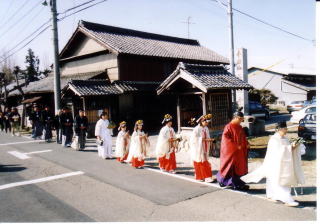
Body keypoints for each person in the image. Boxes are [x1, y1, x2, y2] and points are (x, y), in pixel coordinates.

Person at [241, 121, 305, 207]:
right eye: (285, 129)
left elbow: (286, 149)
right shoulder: (274, 139)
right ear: (279, 129)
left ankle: (273, 195)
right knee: (280, 181)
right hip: (276, 164)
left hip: (283, 163)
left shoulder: (285, 138)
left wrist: (294, 146)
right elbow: (278, 152)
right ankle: (286, 199)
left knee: (276, 181)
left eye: (286, 128)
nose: (286, 130)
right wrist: (291, 147)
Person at [216, 111, 250, 191]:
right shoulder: (228, 126)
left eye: (242, 119)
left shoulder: (240, 127)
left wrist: (247, 143)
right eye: (240, 119)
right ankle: (234, 184)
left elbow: (243, 137)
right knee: (230, 167)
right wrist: (235, 146)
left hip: (240, 151)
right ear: (235, 118)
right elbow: (225, 139)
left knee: (240, 167)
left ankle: (232, 182)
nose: (241, 120)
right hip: (232, 152)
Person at [189, 114, 215, 182]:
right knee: (200, 162)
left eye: (207, 122)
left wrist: (209, 141)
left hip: (205, 147)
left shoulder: (206, 128)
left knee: (205, 161)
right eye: (205, 122)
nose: (206, 123)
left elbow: (207, 137)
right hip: (198, 148)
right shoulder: (196, 129)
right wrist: (207, 140)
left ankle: (205, 176)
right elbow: (194, 140)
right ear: (201, 121)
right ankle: (202, 176)